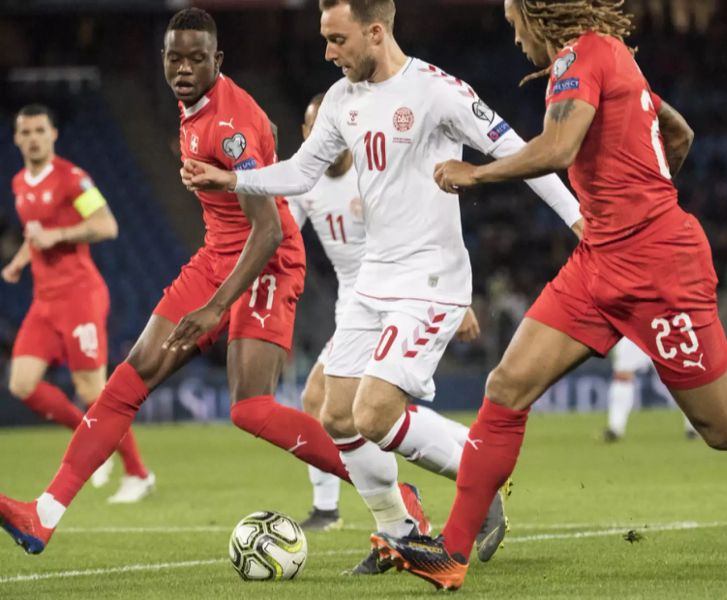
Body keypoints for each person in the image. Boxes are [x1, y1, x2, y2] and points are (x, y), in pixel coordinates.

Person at [370, 0, 727, 590]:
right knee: (505, 386)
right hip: (599, 261)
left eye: (512, 20)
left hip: (658, 268)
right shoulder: (606, 56)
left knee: (726, 427)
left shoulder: (581, 56)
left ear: (535, 15)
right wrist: (634, 192)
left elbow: (559, 147)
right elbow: (677, 130)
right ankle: (452, 552)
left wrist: (476, 174)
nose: (513, 36)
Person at [181, 0, 583, 574]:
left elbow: (520, 152)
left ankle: (480, 473)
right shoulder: (342, 100)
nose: (327, 52)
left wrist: (577, 221)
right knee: (335, 414)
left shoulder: (437, 91)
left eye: (337, 39)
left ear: (375, 32)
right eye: (325, 39)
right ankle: (398, 530)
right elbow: (298, 172)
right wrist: (232, 178)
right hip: (374, 283)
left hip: (430, 279)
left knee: (373, 413)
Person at [0, 8, 402, 556]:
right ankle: (42, 515)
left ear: (218, 61)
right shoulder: (198, 109)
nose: (183, 68)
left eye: (196, 59)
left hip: (268, 258)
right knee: (128, 381)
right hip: (216, 253)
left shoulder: (229, 127)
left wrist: (216, 309)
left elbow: (265, 231)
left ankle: (393, 493)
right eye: (174, 57)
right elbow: (268, 138)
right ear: (163, 59)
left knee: (250, 407)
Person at [288, 93, 474, 532]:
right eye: (314, 134)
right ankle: (467, 452)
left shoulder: (372, 174)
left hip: (392, 294)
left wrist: (456, 297)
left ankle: (340, 509)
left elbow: (428, 222)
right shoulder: (304, 182)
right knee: (343, 406)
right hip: (350, 304)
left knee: (343, 404)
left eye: (330, 135)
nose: (324, 143)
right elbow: (280, 235)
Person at [4, 104, 153, 503]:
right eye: (26, 132)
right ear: (16, 138)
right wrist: (19, 262)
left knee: (93, 392)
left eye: (40, 130)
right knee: (21, 384)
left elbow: (107, 225)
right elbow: (35, 235)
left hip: (80, 297)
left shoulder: (74, 180)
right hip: (44, 302)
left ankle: (138, 473)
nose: (33, 137)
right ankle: (90, 440)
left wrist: (59, 236)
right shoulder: (20, 182)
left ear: (53, 134)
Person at [605, 337, 697, 442]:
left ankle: (694, 427)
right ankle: (615, 428)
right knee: (622, 376)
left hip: (665, 332)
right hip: (635, 331)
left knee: (683, 378)